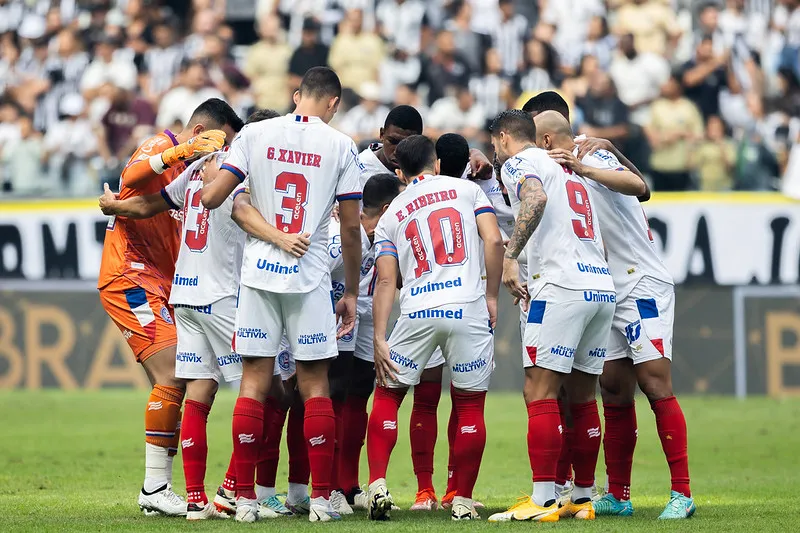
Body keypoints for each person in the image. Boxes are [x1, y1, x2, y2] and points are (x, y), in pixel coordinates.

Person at [200, 67, 363, 523]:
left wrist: (214, 167)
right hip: (309, 279)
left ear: (298, 96)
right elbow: (350, 227)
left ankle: (246, 500)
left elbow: (216, 198)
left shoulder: (253, 133)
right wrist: (349, 289)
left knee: (253, 383)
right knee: (315, 388)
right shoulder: (340, 145)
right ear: (333, 103)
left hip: (258, 276)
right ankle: (322, 499)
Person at [536, 110, 695, 520]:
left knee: (654, 382)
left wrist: (587, 165)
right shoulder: (552, 171)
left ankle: (682, 493)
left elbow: (639, 186)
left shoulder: (588, 153)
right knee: (614, 391)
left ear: (551, 139)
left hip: (640, 282)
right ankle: (619, 494)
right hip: (605, 287)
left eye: (535, 138)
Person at [97, 98, 240, 516]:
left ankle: (163, 489)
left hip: (163, 284)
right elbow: (131, 174)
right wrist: (183, 150)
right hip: (130, 276)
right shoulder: (163, 145)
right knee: (175, 372)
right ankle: (155, 487)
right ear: (200, 134)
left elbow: (141, 203)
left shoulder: (198, 176)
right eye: (221, 143)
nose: (223, 153)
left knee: (188, 378)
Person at [367, 134, 503, 521]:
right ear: (437, 163)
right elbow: (493, 240)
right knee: (471, 405)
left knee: (388, 397)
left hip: (419, 309)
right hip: (467, 305)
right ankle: (462, 498)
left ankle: (377, 483)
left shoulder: (392, 213)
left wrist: (380, 337)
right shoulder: (466, 190)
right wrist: (490, 295)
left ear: (400, 172)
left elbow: (387, 281)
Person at [488, 110, 615, 523]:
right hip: (600, 286)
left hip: (559, 286)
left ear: (505, 138)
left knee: (538, 391)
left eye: (494, 145)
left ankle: (543, 499)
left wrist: (510, 258)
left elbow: (535, 198)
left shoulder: (521, 162)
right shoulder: (571, 170)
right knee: (581, 397)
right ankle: (581, 497)